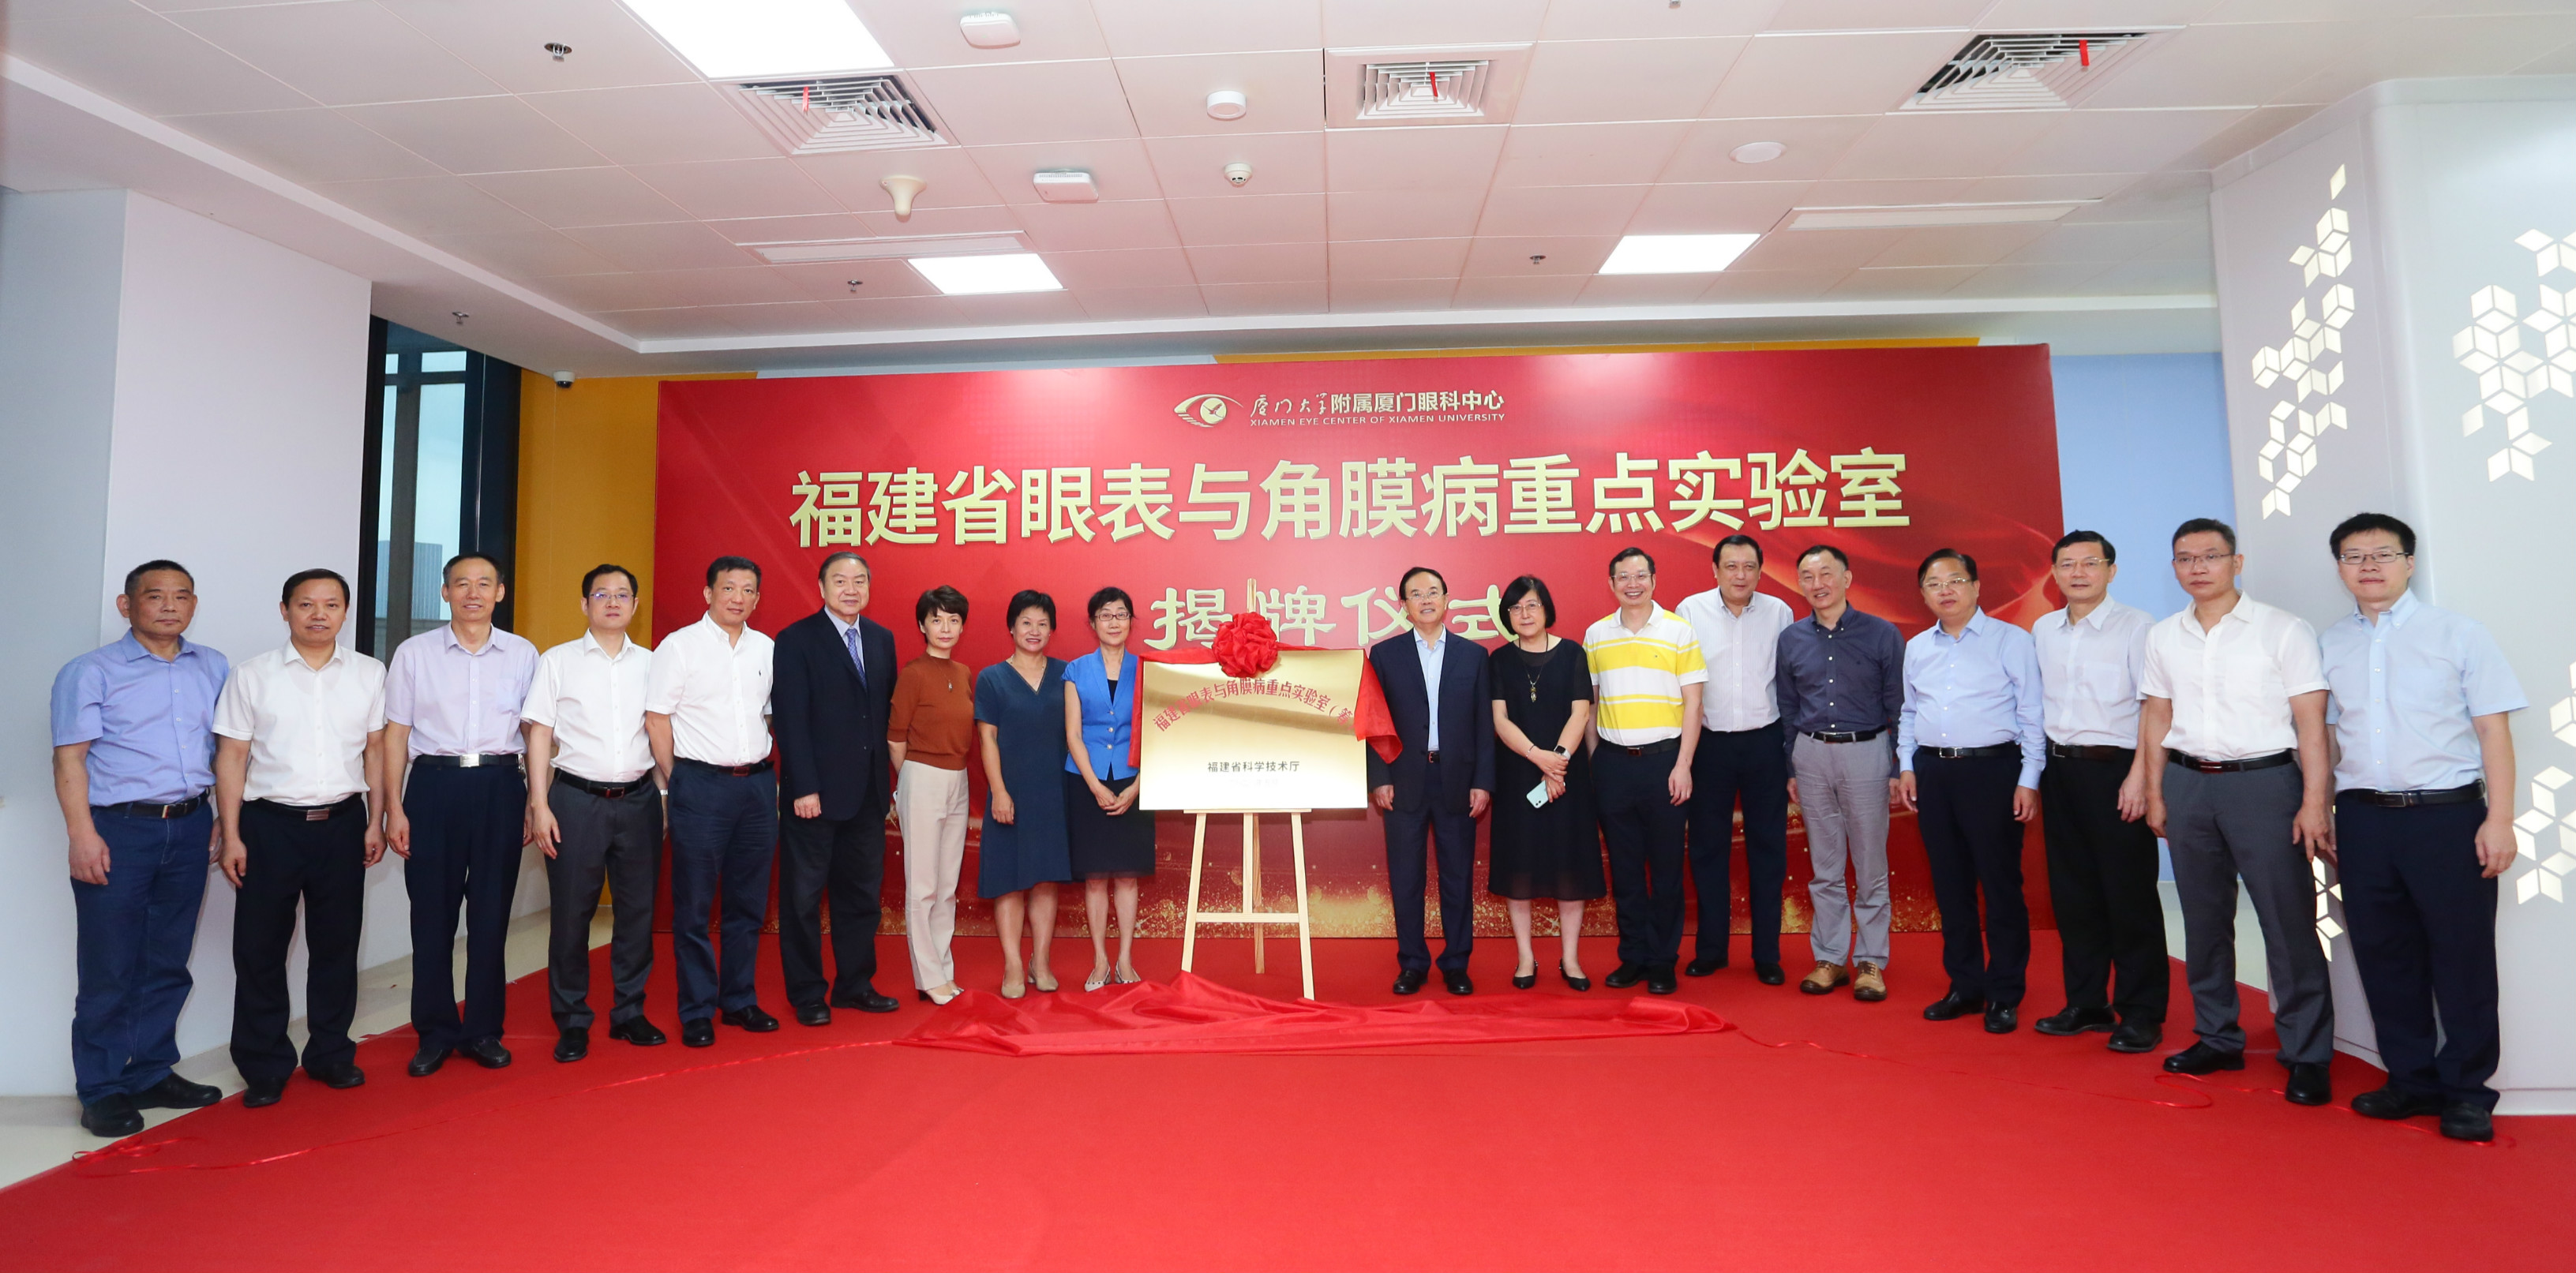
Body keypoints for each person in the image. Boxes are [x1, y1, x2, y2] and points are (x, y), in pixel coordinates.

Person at [2319, 513, 2523, 1142]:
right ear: (2339, 568)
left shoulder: (2457, 633)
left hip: (2446, 816)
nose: (2368, 565)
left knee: (2461, 956)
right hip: (2361, 818)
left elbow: (2492, 731)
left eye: (2383, 553)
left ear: (2409, 562)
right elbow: (2329, 737)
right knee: (2383, 954)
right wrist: (2323, 808)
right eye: (2353, 555)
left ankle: (2467, 1091)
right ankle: (2410, 1080)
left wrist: (2499, 818)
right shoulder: (2330, 642)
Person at [2141, 518, 2336, 1107]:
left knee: (2286, 920)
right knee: (2203, 920)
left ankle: (2306, 1052)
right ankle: (2217, 1035)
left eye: (2210, 555)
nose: (2197, 567)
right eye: (2185, 558)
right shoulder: (2163, 636)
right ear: (2173, 567)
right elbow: (2157, 715)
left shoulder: (2283, 629)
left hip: (2265, 785)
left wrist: (2314, 801)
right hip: (2187, 783)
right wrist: (2155, 792)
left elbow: (2310, 723)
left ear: (2236, 562)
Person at [51, 560, 230, 1136]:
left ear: (194, 604)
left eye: (182, 596)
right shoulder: (90, 671)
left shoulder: (214, 666)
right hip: (118, 830)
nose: (169, 605)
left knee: (167, 958)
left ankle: (151, 1070)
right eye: (155, 596)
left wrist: (221, 817)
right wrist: (82, 834)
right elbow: (69, 759)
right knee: (109, 964)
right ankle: (101, 1087)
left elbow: (224, 750)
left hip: (191, 823)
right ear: (127, 606)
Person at [210, 568, 385, 1108]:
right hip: (269, 826)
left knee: (337, 945)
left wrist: (375, 820)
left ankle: (330, 1052)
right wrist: (232, 834)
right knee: (259, 948)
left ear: (346, 612)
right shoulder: (252, 675)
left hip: (343, 823)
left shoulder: (369, 673)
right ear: (284, 610)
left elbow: (376, 752)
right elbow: (232, 756)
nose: (318, 614)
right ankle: (264, 1063)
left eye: (331, 604)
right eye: (306, 604)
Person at [384, 552, 538, 1076]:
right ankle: (434, 1031)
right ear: (445, 591)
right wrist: (393, 806)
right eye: (462, 583)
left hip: (500, 785)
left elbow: (536, 733)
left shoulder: (522, 654)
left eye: (484, 583)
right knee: (431, 916)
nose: (473, 593)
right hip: (433, 786)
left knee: (491, 916)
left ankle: (483, 1030)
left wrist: (533, 800)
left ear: (500, 592)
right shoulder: (414, 654)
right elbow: (396, 735)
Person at [1895, 549, 2045, 1035]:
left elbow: (2032, 715)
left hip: (1993, 771)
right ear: (1923, 594)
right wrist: (1907, 766)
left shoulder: (2012, 640)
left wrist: (2028, 779)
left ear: (1977, 587)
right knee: (1951, 885)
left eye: (1956, 580)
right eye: (1934, 583)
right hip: (1933, 773)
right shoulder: (1918, 647)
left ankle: (2004, 992)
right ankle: (1965, 985)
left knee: (2000, 886)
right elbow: (1910, 713)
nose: (1946, 590)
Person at [2030, 532, 2168, 1054]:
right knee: (2074, 895)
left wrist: (2141, 777)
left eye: (2090, 563)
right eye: (2067, 564)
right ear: (2054, 574)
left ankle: (2141, 1011)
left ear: (2111, 570)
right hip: (2060, 772)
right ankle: (2086, 1002)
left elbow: (2153, 707)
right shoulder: (2043, 629)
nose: (2078, 572)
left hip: (2116, 773)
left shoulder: (2137, 626)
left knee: (2128, 895)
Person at [522, 564, 664, 1061]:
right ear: (584, 604)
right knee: (571, 914)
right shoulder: (557, 661)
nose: (613, 602)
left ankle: (629, 1012)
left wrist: (666, 795)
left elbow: (662, 730)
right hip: (575, 800)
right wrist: (539, 803)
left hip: (640, 800)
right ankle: (572, 1020)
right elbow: (539, 733)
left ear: (635, 605)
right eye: (602, 594)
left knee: (637, 912)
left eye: (623, 594)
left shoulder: (653, 664)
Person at [645, 556, 781, 1048]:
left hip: (757, 788)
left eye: (748, 590)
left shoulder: (766, 648)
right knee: (695, 904)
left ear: (757, 599)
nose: (737, 598)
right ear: (708, 593)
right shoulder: (679, 646)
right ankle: (697, 1009)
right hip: (700, 785)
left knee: (749, 902)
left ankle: (739, 1000)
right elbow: (657, 718)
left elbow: (768, 716)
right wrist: (678, 778)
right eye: (728, 588)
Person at [771, 552, 902, 1023]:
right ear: (822, 587)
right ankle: (807, 993)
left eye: (860, 581)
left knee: (861, 895)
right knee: (803, 898)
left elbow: (882, 716)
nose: (851, 589)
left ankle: (854, 985)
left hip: (867, 793)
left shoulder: (881, 638)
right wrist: (803, 787)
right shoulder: (796, 639)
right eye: (841, 581)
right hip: (815, 795)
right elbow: (790, 718)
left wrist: (888, 785)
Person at [1775, 544, 1904, 1003]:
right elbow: (1788, 706)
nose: (1818, 584)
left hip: (1867, 753)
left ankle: (1870, 960)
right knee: (1824, 867)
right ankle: (1829, 957)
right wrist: (1792, 764)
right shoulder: (1791, 639)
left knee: (1870, 864)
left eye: (1827, 574)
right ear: (1800, 584)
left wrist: (1897, 766)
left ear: (1847, 579)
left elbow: (1898, 704)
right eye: (1808, 577)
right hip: (1811, 756)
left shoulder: (1882, 634)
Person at [1367, 567, 1494, 995]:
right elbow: (1375, 722)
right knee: (1407, 879)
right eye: (1416, 594)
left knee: (1457, 877)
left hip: (1457, 780)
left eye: (1433, 592)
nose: (1426, 600)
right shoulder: (1385, 655)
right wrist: (1380, 777)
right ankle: (1413, 964)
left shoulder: (1473, 656)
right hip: (1403, 781)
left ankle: (1456, 963)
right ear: (1404, 605)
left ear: (1446, 599)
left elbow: (1483, 724)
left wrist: (1483, 781)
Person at [1584, 548, 1704, 997]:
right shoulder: (1596, 634)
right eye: (1623, 577)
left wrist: (1684, 764)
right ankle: (1633, 956)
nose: (1632, 584)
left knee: (1667, 870)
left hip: (1665, 763)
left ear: (1654, 580)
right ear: (1611, 583)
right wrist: (1596, 760)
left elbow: (1694, 703)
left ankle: (1663, 960)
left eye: (1640, 576)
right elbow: (1591, 704)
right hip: (1614, 764)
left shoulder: (1678, 630)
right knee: (1626, 869)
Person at [1675, 534, 1795, 985]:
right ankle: (1712, 950)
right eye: (1731, 566)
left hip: (1766, 742)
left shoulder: (1780, 612)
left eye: (1749, 567)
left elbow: (1788, 681)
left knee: (1769, 848)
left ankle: (1767, 954)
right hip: (1710, 744)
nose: (1740, 575)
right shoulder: (1690, 611)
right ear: (1715, 570)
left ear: (1761, 571)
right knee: (1708, 849)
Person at [1486, 575, 1601, 990]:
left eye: (1532, 605)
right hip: (1519, 774)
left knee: (1570, 868)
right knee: (1519, 869)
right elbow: (1500, 720)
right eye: (1516, 608)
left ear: (1546, 609)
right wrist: (1540, 758)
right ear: (1508, 616)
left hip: (1568, 776)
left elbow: (1581, 713)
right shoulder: (1499, 660)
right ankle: (1525, 958)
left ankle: (1570, 959)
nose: (1525, 614)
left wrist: (1559, 763)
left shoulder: (1572, 653)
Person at [975, 590, 1073, 998]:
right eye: (1026, 623)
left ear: (1052, 630)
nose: (1034, 631)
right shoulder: (991, 678)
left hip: (1054, 793)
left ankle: (1041, 962)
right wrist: (999, 791)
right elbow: (987, 739)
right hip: (1009, 793)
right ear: (1011, 628)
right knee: (1010, 881)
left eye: (1043, 624)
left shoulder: (1067, 674)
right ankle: (1013, 965)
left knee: (1046, 881)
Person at [1064, 586, 1152, 992]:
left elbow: (1159, 732)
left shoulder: (1148, 669)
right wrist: (1095, 786)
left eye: (1121, 614)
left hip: (1135, 779)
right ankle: (1100, 960)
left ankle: (1126, 960)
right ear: (1092, 623)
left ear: (1131, 622)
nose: (1113, 622)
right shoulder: (1075, 670)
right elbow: (1073, 734)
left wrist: (1137, 787)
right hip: (1087, 779)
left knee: (1128, 878)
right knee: (1096, 878)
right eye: (1105, 615)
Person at [891, 586, 975, 1005]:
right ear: (922, 625)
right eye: (937, 619)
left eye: (953, 620)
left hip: (959, 779)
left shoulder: (964, 672)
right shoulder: (914, 673)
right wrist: (909, 782)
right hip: (922, 777)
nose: (945, 628)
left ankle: (942, 968)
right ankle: (927, 976)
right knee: (922, 885)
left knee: (946, 885)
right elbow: (895, 738)